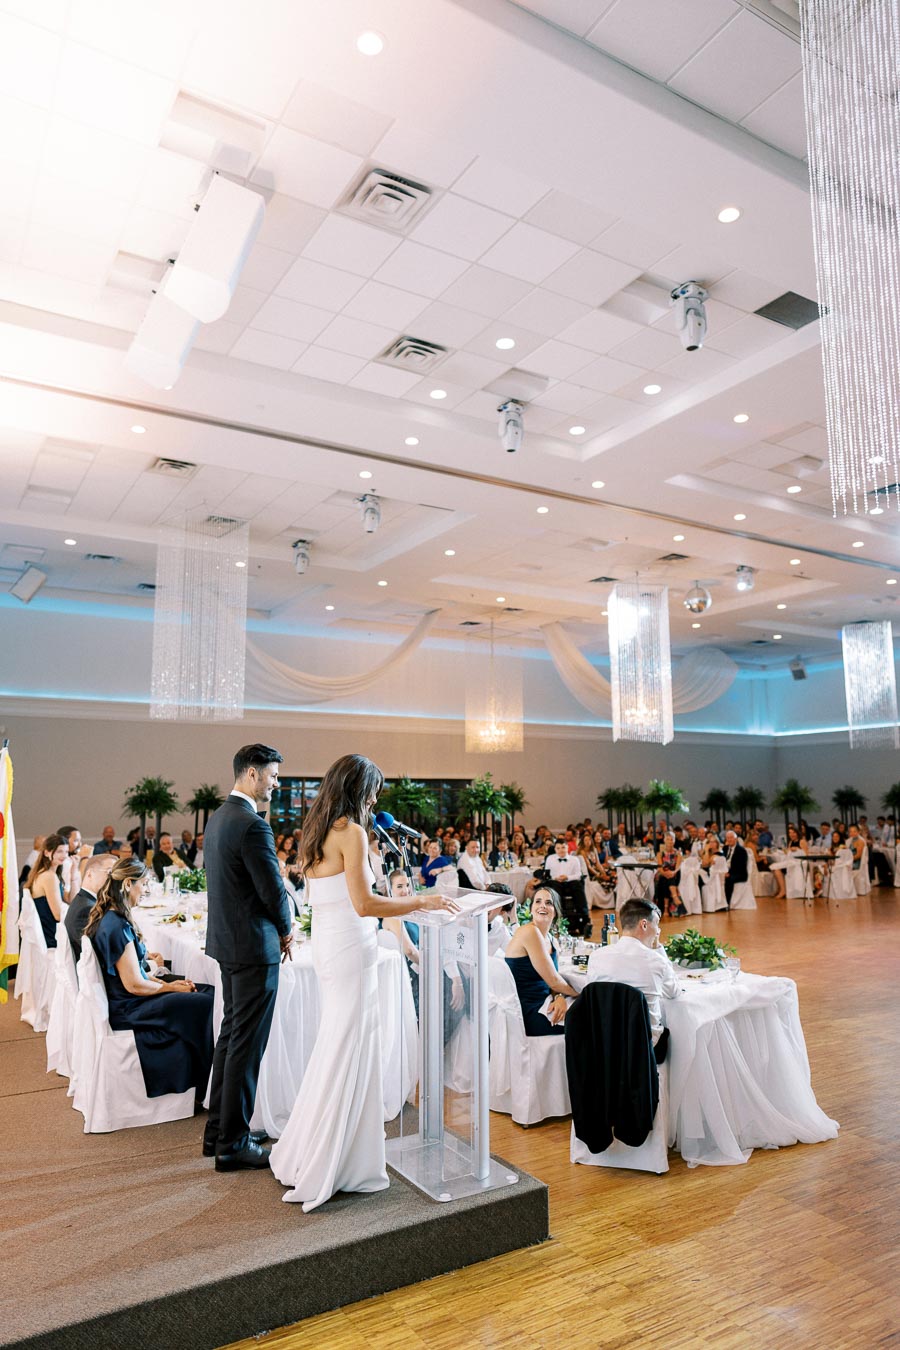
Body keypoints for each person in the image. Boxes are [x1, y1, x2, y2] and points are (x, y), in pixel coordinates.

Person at [269, 753, 457, 1211]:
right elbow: (365, 904)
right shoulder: (350, 832)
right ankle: (335, 1158)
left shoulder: (319, 830)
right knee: (348, 1046)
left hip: (332, 946)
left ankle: (328, 1150)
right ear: (358, 788)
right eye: (373, 789)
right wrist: (420, 902)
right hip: (352, 947)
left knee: (339, 1044)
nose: (376, 797)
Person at [204, 744, 295, 1171]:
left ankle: (220, 1132)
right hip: (254, 948)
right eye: (274, 776)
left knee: (232, 1035)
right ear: (254, 774)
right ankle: (233, 1144)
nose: (277, 784)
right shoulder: (252, 825)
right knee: (247, 1043)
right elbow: (272, 890)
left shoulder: (220, 818)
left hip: (227, 943)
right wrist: (287, 927)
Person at [83, 856, 215, 1097]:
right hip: (130, 1007)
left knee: (206, 991)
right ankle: (205, 1084)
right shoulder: (115, 925)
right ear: (127, 884)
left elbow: (139, 973)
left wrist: (169, 983)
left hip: (133, 997)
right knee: (206, 1003)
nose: (145, 890)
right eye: (143, 884)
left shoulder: (115, 917)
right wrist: (171, 989)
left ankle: (205, 1076)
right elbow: (134, 984)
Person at [586, 898, 680, 1045]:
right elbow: (673, 992)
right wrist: (658, 949)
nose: (658, 931)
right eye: (656, 924)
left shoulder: (596, 956)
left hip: (603, 1040)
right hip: (643, 1043)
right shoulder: (656, 961)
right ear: (644, 924)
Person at [503, 885, 579, 1036]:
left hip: (545, 1001)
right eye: (537, 901)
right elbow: (554, 981)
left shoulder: (550, 939)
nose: (542, 905)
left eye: (549, 903)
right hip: (528, 1011)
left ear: (555, 911)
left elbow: (553, 980)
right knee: (585, 1018)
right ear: (531, 910)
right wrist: (580, 993)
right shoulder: (529, 932)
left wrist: (559, 997)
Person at [64, 853, 117, 964]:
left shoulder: (83, 901)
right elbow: (101, 956)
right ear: (89, 874)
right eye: (109, 873)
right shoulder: (87, 909)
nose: (113, 880)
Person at [26, 835, 69, 948]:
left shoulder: (42, 873)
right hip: (50, 936)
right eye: (59, 851)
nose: (64, 855)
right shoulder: (49, 877)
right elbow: (58, 915)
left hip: (45, 934)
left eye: (66, 851)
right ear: (46, 853)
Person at [545, 839, 590, 935]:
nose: (561, 850)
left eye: (563, 847)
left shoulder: (574, 859)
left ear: (567, 848)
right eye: (558, 848)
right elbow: (547, 874)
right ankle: (559, 918)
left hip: (570, 882)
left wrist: (567, 877)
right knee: (554, 888)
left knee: (577, 886)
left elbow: (578, 875)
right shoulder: (550, 858)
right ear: (555, 849)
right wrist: (555, 878)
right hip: (556, 882)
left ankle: (584, 919)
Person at [654, 833, 684, 918]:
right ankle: (675, 898)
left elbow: (678, 867)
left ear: (674, 841)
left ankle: (666, 909)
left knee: (669, 879)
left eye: (672, 839)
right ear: (664, 841)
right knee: (664, 879)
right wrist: (665, 873)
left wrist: (673, 872)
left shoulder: (678, 853)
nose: (670, 842)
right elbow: (660, 867)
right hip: (663, 874)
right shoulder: (660, 853)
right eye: (668, 839)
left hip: (674, 874)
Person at [723, 829, 749, 908]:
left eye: (731, 838)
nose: (729, 840)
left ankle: (727, 903)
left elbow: (740, 866)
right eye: (728, 838)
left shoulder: (741, 851)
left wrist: (729, 873)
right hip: (725, 871)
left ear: (736, 839)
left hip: (739, 874)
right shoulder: (725, 848)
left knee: (728, 879)